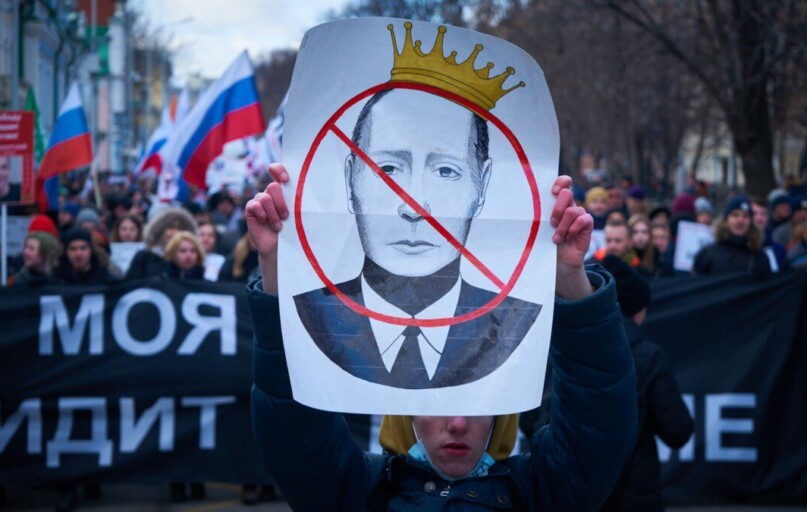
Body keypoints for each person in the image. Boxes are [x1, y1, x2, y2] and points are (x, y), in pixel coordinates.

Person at [245, 164, 637, 510]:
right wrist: (281, 267)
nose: (459, 422)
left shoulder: (539, 493)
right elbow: (292, 425)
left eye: (477, 399)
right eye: (439, 398)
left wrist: (569, 279)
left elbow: (598, 421)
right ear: (404, 401)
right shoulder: (357, 493)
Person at [291, 89, 541, 389]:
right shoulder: (306, 317)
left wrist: (577, 290)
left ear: (482, 187)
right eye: (387, 170)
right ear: (350, 180)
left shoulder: (522, 324)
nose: (413, 207)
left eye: (446, 171)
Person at [597, 256, 694, 511]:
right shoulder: (648, 355)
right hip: (634, 495)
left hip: (572, 493)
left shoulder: (562, 346)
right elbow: (678, 429)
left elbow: (534, 420)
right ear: (636, 309)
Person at [693, 196, 771, 276]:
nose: (740, 220)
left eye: (745, 216)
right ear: (726, 220)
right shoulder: (708, 254)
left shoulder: (759, 257)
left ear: (750, 222)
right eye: (735, 215)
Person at [125, 207, 197, 280]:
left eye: (180, 229)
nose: (175, 233)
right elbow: (130, 284)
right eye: (171, 228)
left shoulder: (191, 258)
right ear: (160, 231)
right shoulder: (144, 257)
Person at [54, 228, 119, 285]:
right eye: (73, 249)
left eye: (83, 248)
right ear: (66, 252)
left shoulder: (107, 280)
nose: (78, 253)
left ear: (91, 250)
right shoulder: (55, 280)